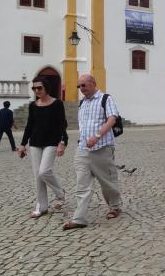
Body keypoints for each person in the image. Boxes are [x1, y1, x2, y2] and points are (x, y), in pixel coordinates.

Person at [63, 74, 123, 230]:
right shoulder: (82, 102)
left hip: (102, 148)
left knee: (107, 182)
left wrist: (97, 136)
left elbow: (112, 119)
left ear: (93, 84)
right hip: (83, 149)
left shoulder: (105, 99)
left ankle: (114, 206)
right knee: (82, 184)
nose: (81, 89)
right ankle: (79, 218)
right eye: (79, 86)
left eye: (84, 85)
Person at [16, 77, 67, 218]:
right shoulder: (33, 105)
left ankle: (60, 194)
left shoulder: (57, 104)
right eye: (34, 88)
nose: (37, 90)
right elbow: (29, 126)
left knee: (44, 171)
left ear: (46, 88)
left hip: (52, 142)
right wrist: (22, 144)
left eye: (39, 88)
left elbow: (62, 124)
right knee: (37, 176)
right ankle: (42, 206)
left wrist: (62, 142)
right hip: (35, 143)